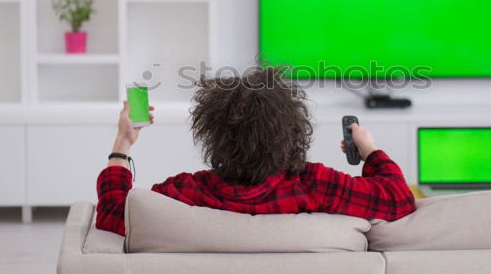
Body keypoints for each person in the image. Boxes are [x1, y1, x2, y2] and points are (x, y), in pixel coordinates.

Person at [96, 67, 416, 235]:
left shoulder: (185, 192)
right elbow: (400, 199)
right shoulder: (318, 185)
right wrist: (369, 150)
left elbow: (111, 213)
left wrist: (122, 142)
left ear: (213, 133)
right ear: (292, 129)